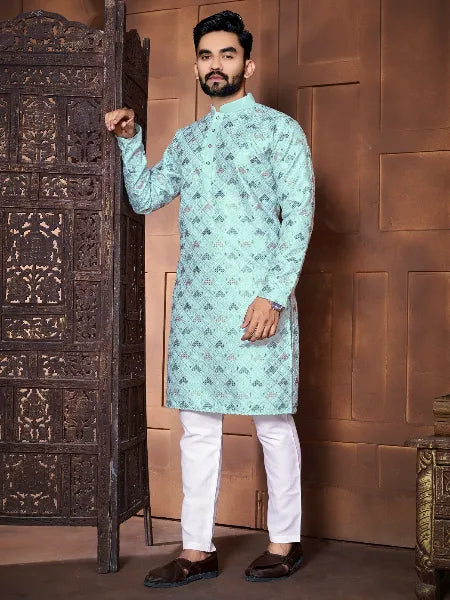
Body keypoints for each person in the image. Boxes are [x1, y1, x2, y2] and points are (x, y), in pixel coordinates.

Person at [104, 10, 314, 588]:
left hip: (258, 305)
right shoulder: (189, 140)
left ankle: (285, 541)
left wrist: (273, 296)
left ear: (249, 64)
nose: (215, 65)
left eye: (227, 54)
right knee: (198, 427)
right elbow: (146, 197)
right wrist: (130, 141)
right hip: (197, 309)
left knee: (273, 423)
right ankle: (197, 550)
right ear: (197, 67)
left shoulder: (279, 131)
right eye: (205, 56)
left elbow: (298, 219)